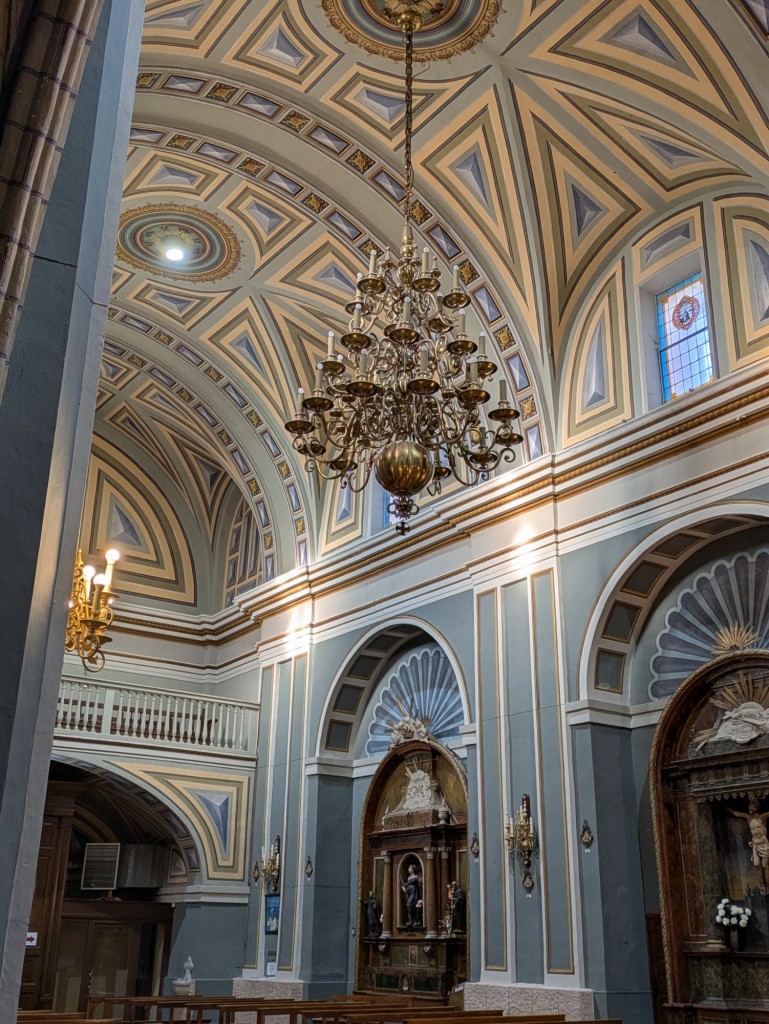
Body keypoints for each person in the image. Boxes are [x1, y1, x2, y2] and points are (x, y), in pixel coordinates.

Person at [730, 797, 769, 886]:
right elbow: (738, 814)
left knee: (765, 866)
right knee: (756, 865)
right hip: (755, 843)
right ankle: (762, 885)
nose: (749, 808)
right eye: (749, 806)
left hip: (763, 843)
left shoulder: (762, 817)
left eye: (752, 807)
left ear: (756, 808)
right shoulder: (748, 818)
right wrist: (730, 811)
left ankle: (768, 884)